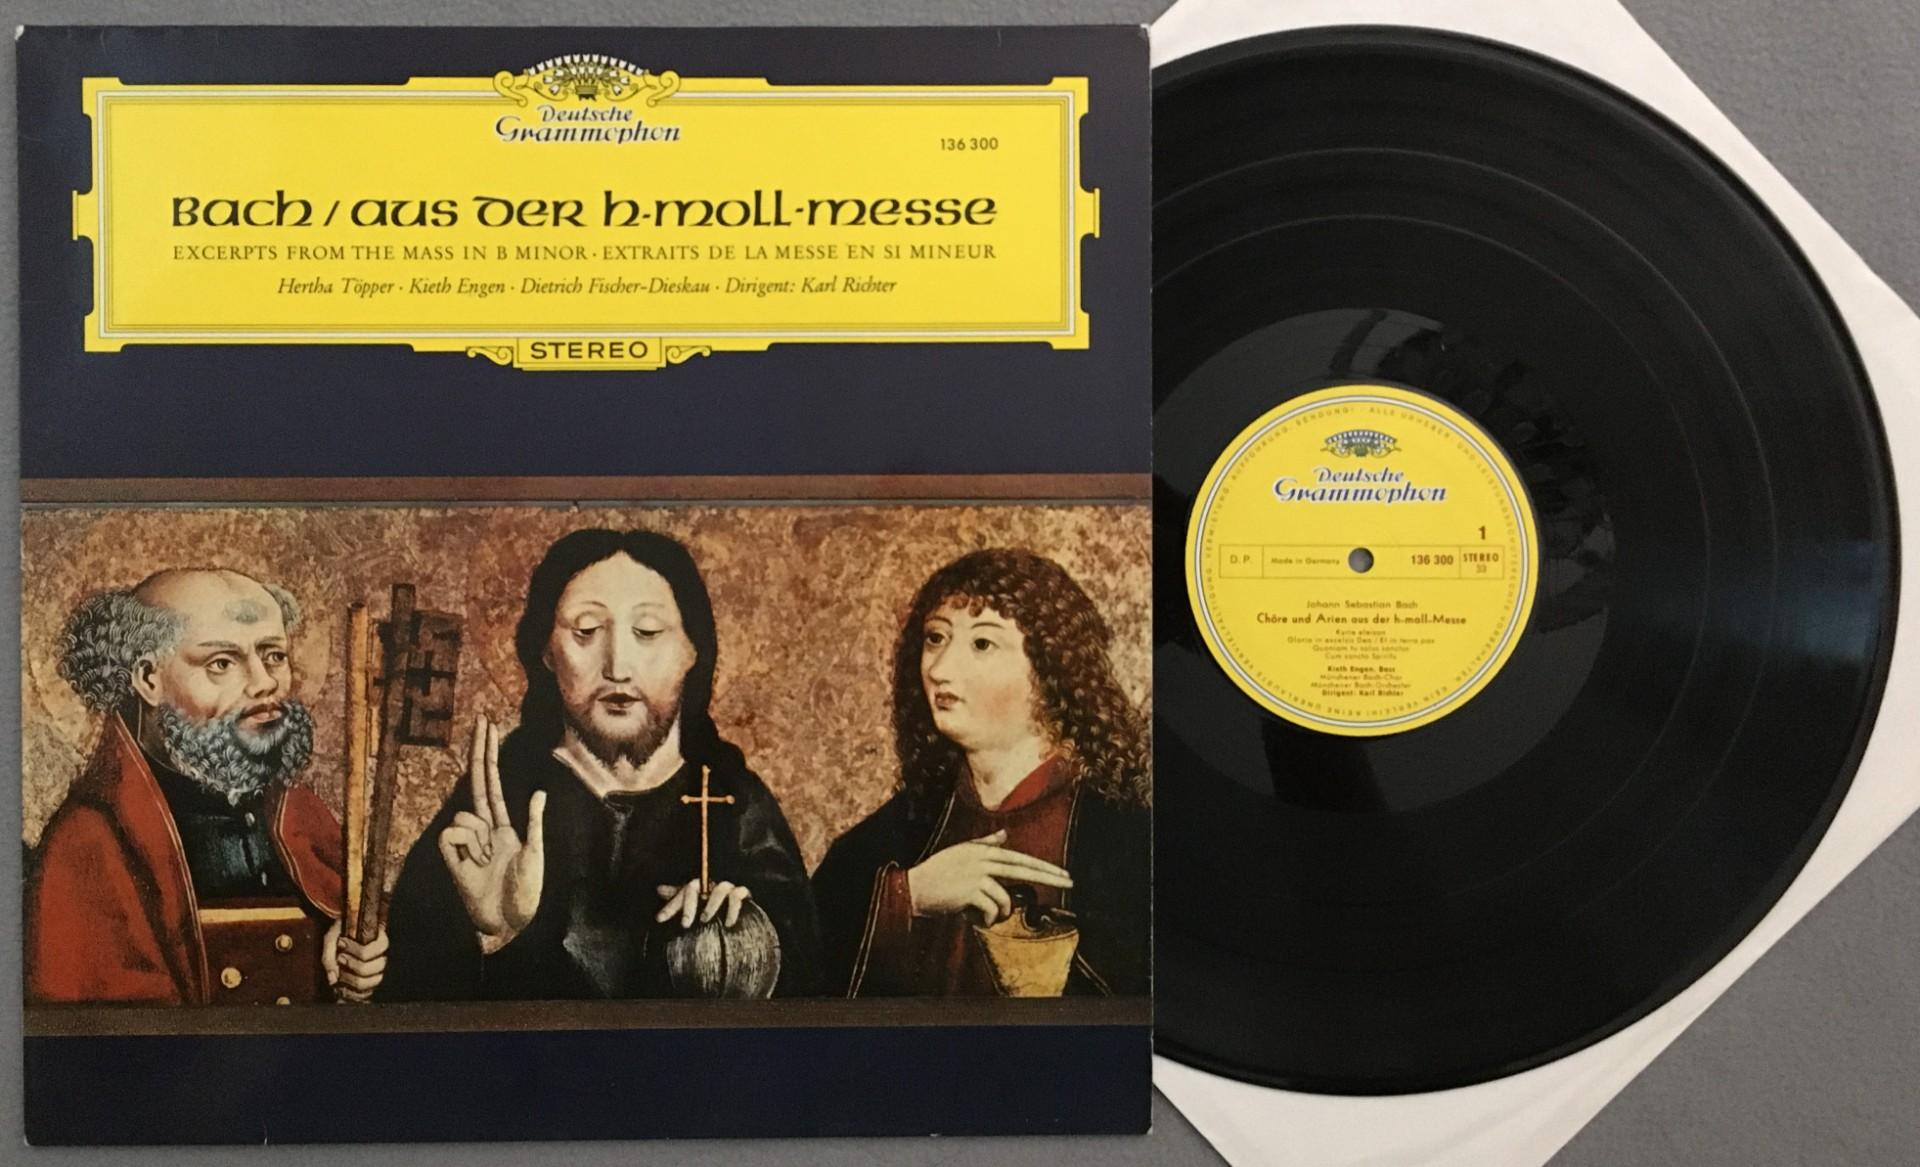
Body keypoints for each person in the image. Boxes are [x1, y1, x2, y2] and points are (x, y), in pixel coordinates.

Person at [378, 529, 820, 1000]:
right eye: (585, 631)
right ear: (546, 651)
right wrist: (496, 937)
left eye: (647, 632)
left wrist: (751, 944)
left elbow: (812, 988)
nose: (617, 667)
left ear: (693, 651)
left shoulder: (736, 806)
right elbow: (410, 996)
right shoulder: (499, 801)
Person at [26, 568, 386, 1005]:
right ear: (148, 679)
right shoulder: (89, 841)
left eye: (273, 655)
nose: (265, 682)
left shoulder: (297, 811)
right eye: (222, 663)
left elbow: (351, 919)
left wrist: (358, 947)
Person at [812, 548, 1151, 997]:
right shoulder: (898, 830)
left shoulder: (1122, 833)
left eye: (982, 644)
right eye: (936, 638)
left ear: (1049, 670)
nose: (939, 669)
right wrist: (909, 896)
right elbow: (807, 954)